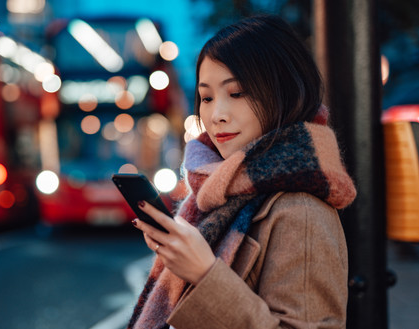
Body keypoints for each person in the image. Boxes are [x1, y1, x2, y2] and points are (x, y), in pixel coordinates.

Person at [128, 14, 357, 329]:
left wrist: (204, 272)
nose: (217, 114)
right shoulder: (214, 195)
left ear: (283, 93)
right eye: (206, 97)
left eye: (237, 93)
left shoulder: (300, 211)